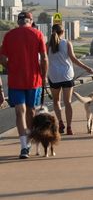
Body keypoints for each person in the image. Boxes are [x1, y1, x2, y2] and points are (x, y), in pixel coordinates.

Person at [0, 11, 48, 159]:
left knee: (19, 111)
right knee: (31, 111)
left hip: (15, 80)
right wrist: (44, 76)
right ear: (31, 21)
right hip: (34, 79)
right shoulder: (37, 34)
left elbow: (2, 57)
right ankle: (28, 141)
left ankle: (24, 146)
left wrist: (10, 67)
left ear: (18, 21)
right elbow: (44, 59)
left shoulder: (9, 35)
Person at [47, 24, 93, 135]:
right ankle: (69, 127)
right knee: (68, 102)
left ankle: (60, 122)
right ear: (62, 32)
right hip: (67, 75)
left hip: (54, 76)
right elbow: (73, 59)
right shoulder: (67, 43)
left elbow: (44, 60)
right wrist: (87, 68)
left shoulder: (47, 45)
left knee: (56, 101)